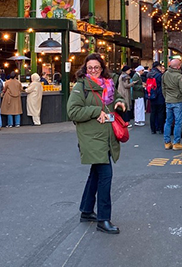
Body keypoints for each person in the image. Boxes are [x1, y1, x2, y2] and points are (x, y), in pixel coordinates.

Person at [67, 53, 126, 234]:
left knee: (95, 174)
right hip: (91, 138)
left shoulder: (108, 84)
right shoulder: (80, 86)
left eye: (97, 67)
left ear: (102, 68)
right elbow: (72, 112)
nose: (93, 70)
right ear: (85, 69)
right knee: (105, 176)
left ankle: (86, 211)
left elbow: (115, 99)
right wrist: (95, 111)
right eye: (90, 67)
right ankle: (103, 219)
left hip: (107, 136)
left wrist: (119, 102)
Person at [162, 58, 182, 150]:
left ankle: (167, 142)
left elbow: (163, 88)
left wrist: (167, 97)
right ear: (178, 66)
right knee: (178, 122)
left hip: (168, 100)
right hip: (178, 101)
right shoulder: (179, 76)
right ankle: (176, 143)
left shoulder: (165, 74)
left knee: (168, 122)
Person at [147, 61, 166, 134]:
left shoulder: (149, 74)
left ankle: (153, 129)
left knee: (153, 112)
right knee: (160, 112)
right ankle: (160, 128)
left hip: (151, 95)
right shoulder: (159, 75)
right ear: (158, 66)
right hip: (159, 95)